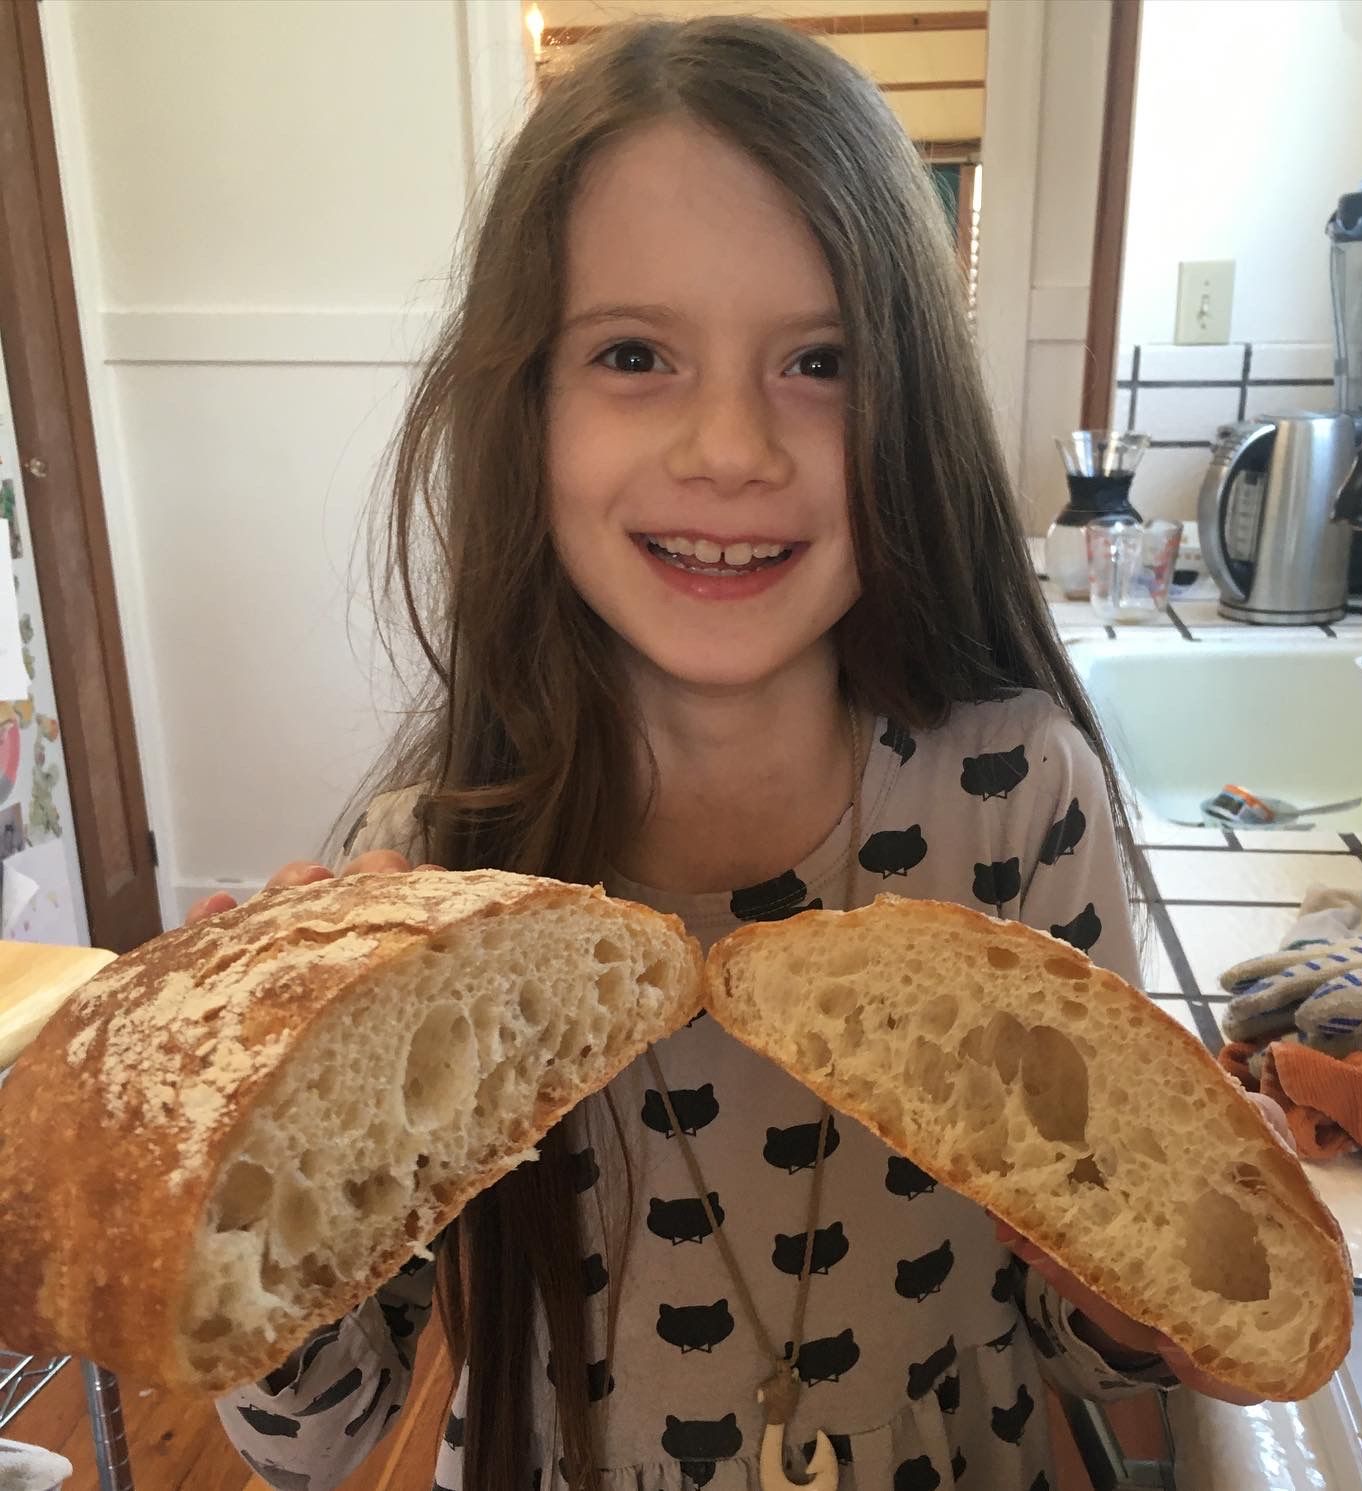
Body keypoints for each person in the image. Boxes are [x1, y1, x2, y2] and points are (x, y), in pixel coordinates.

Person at [193, 18, 1288, 1491]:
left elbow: (1095, 1344)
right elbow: (318, 1440)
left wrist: (1155, 1258)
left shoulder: (1019, 797)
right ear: (526, 407)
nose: (732, 448)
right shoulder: (438, 866)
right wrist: (236, 1178)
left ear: (913, 406)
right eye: (634, 354)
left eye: (819, 360)